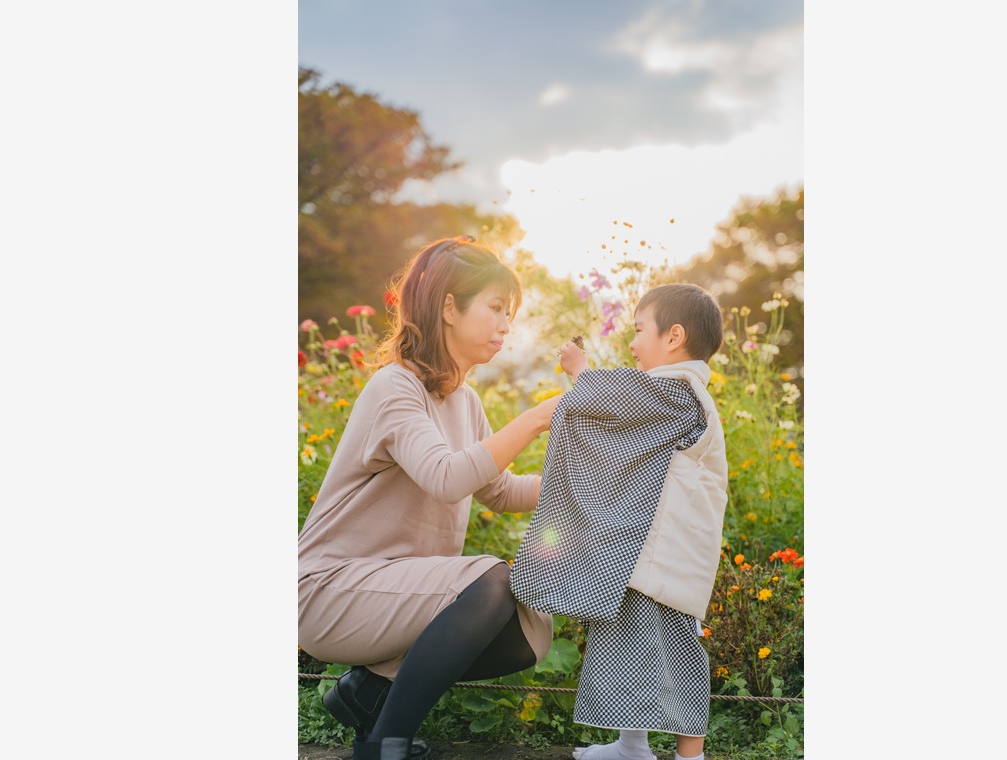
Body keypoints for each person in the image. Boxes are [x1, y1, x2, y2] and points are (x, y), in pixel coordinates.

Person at [297, 235, 561, 760]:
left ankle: (367, 691)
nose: (506, 326)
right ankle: (382, 743)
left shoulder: (464, 401)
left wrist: (594, 490)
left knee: (529, 628)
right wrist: (536, 418)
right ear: (448, 308)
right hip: (332, 588)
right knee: (492, 581)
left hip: (395, 591)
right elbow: (445, 476)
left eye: (509, 314)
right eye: (495, 309)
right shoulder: (395, 388)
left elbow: (501, 491)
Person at [509, 283, 728, 760]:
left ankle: (691, 756)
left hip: (667, 554)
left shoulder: (680, 393)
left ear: (673, 337)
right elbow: (620, 436)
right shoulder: (674, 396)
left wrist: (581, 372)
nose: (631, 343)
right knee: (628, 649)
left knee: (675, 655)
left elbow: (615, 403)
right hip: (649, 549)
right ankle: (631, 747)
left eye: (638, 330)